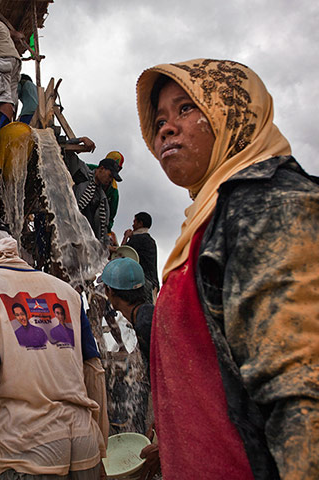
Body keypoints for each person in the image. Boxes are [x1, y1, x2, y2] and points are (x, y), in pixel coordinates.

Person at [136, 58, 319, 478]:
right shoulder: (205, 223)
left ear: (235, 113)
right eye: (159, 119)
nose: (165, 128)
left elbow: (301, 397)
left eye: (186, 108)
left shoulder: (270, 206)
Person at [0, 214, 108, 480]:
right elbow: (93, 370)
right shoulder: (65, 291)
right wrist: (100, 449)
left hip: (29, 445)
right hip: (84, 442)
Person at [73, 157, 122, 245]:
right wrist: (82, 142)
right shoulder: (82, 171)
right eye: (110, 176)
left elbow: (103, 230)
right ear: (102, 168)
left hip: (82, 241)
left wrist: (106, 247)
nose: (110, 180)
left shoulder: (103, 200)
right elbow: (65, 153)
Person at [121, 212, 159, 296]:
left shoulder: (137, 239)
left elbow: (121, 254)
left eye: (134, 222)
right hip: (153, 283)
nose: (132, 225)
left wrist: (126, 237)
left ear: (140, 223)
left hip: (143, 284)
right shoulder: (150, 240)